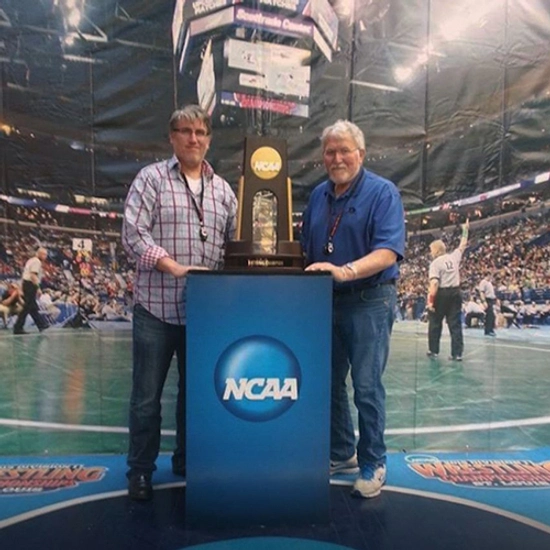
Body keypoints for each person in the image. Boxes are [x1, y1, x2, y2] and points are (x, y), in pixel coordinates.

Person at [122, 105, 237, 501]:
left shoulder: (223, 190)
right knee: (146, 398)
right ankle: (140, 470)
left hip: (204, 314)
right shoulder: (150, 179)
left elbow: (231, 247)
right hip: (156, 307)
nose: (193, 139)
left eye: (201, 132)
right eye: (185, 131)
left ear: (208, 138)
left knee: (196, 395)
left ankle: (187, 459)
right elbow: (133, 234)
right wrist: (169, 265)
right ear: (172, 136)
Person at [301, 120, 405, 499]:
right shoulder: (317, 197)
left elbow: (388, 251)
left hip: (369, 300)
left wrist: (344, 271)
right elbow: (307, 251)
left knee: (365, 386)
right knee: (328, 382)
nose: (337, 158)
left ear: (360, 153)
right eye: (330, 151)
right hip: (325, 301)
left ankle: (373, 460)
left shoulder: (382, 193)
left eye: (345, 150)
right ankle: (343, 450)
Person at [426, 220, 469, 360]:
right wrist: (465, 230)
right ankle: (457, 354)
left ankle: (434, 350)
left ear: (436, 250)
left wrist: (431, 302)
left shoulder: (435, 263)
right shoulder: (453, 257)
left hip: (442, 294)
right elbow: (462, 245)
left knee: (435, 323)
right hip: (455, 293)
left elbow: (434, 284)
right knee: (455, 324)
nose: (431, 253)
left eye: (431, 250)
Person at [13, 247, 49, 335]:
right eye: (44, 254)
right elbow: (33, 275)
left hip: (26, 284)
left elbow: (24, 274)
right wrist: (38, 288)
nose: (45, 257)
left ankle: (41, 324)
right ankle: (18, 327)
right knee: (27, 306)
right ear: (40, 254)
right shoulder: (37, 261)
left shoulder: (31, 260)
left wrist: (21, 287)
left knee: (32, 306)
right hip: (30, 285)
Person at [478, 272, 496, 336]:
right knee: (489, 315)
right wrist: (484, 301)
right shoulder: (483, 282)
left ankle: (491, 329)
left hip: (491, 300)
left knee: (492, 316)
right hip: (487, 300)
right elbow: (481, 292)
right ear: (488, 275)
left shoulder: (489, 283)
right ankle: (488, 330)